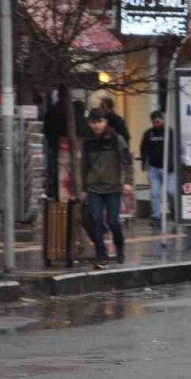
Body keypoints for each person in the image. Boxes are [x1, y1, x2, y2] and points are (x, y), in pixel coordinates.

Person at [81, 111, 133, 268]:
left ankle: (120, 246)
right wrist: (83, 188)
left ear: (105, 122)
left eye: (99, 121)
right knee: (95, 221)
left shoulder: (116, 139)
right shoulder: (88, 141)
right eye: (93, 122)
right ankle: (101, 255)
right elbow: (84, 166)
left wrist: (128, 181)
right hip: (94, 188)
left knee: (113, 222)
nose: (96, 125)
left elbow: (127, 161)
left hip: (113, 187)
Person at [138, 110, 175, 224]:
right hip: (153, 168)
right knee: (155, 193)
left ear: (163, 120)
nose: (156, 124)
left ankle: (174, 211)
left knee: (171, 192)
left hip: (168, 168)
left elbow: (174, 148)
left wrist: (173, 164)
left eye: (158, 121)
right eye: (154, 122)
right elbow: (143, 148)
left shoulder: (170, 132)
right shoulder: (148, 133)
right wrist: (144, 163)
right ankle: (156, 216)